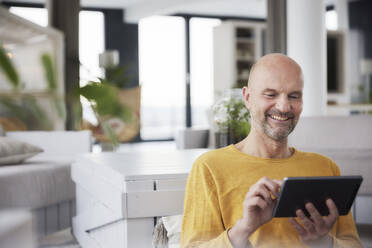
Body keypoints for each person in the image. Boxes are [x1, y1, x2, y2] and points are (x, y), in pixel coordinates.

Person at [180, 54, 362, 248]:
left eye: (294, 96)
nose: (284, 106)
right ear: (248, 98)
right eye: (270, 94)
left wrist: (323, 242)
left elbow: (353, 243)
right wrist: (244, 228)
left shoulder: (325, 167)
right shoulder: (210, 167)